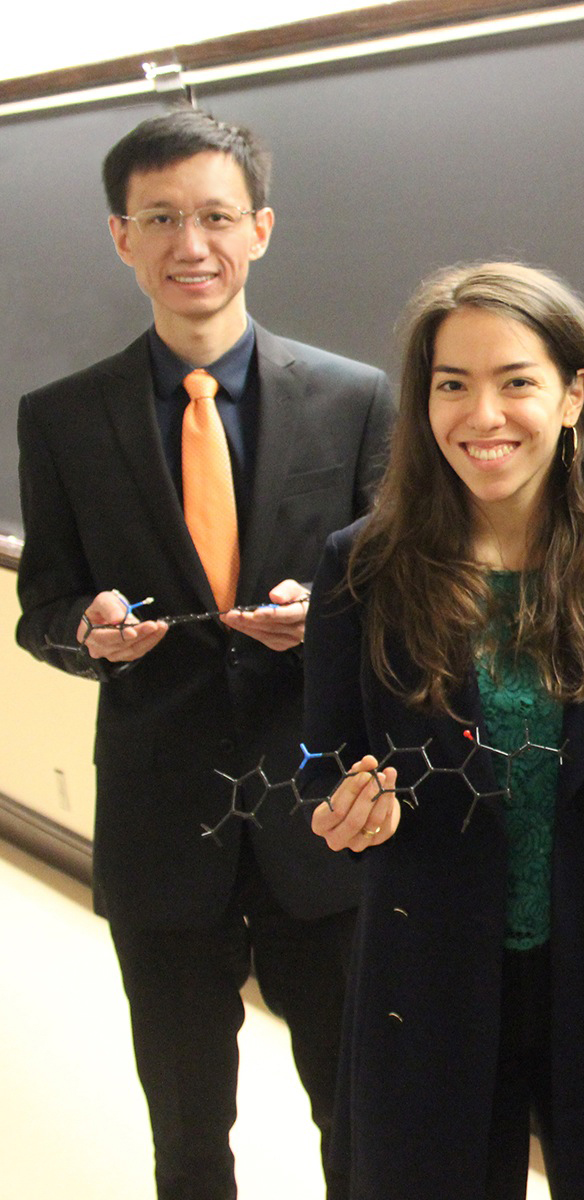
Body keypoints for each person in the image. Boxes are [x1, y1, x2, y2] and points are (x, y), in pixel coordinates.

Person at [15, 106, 394, 1200]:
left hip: (320, 826)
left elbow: (396, 594)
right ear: (120, 236)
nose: (193, 244)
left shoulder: (357, 398)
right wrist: (86, 634)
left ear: (261, 229)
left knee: (355, 1113)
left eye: (217, 216)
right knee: (186, 1135)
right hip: (158, 830)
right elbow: (41, 605)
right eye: (162, 217)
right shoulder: (62, 419)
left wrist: (324, 611)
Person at [302, 261, 584, 1200]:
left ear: (574, 396)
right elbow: (321, 756)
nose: (483, 415)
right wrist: (336, 808)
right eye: (453, 386)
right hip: (426, 972)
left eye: (516, 381)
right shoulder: (361, 568)